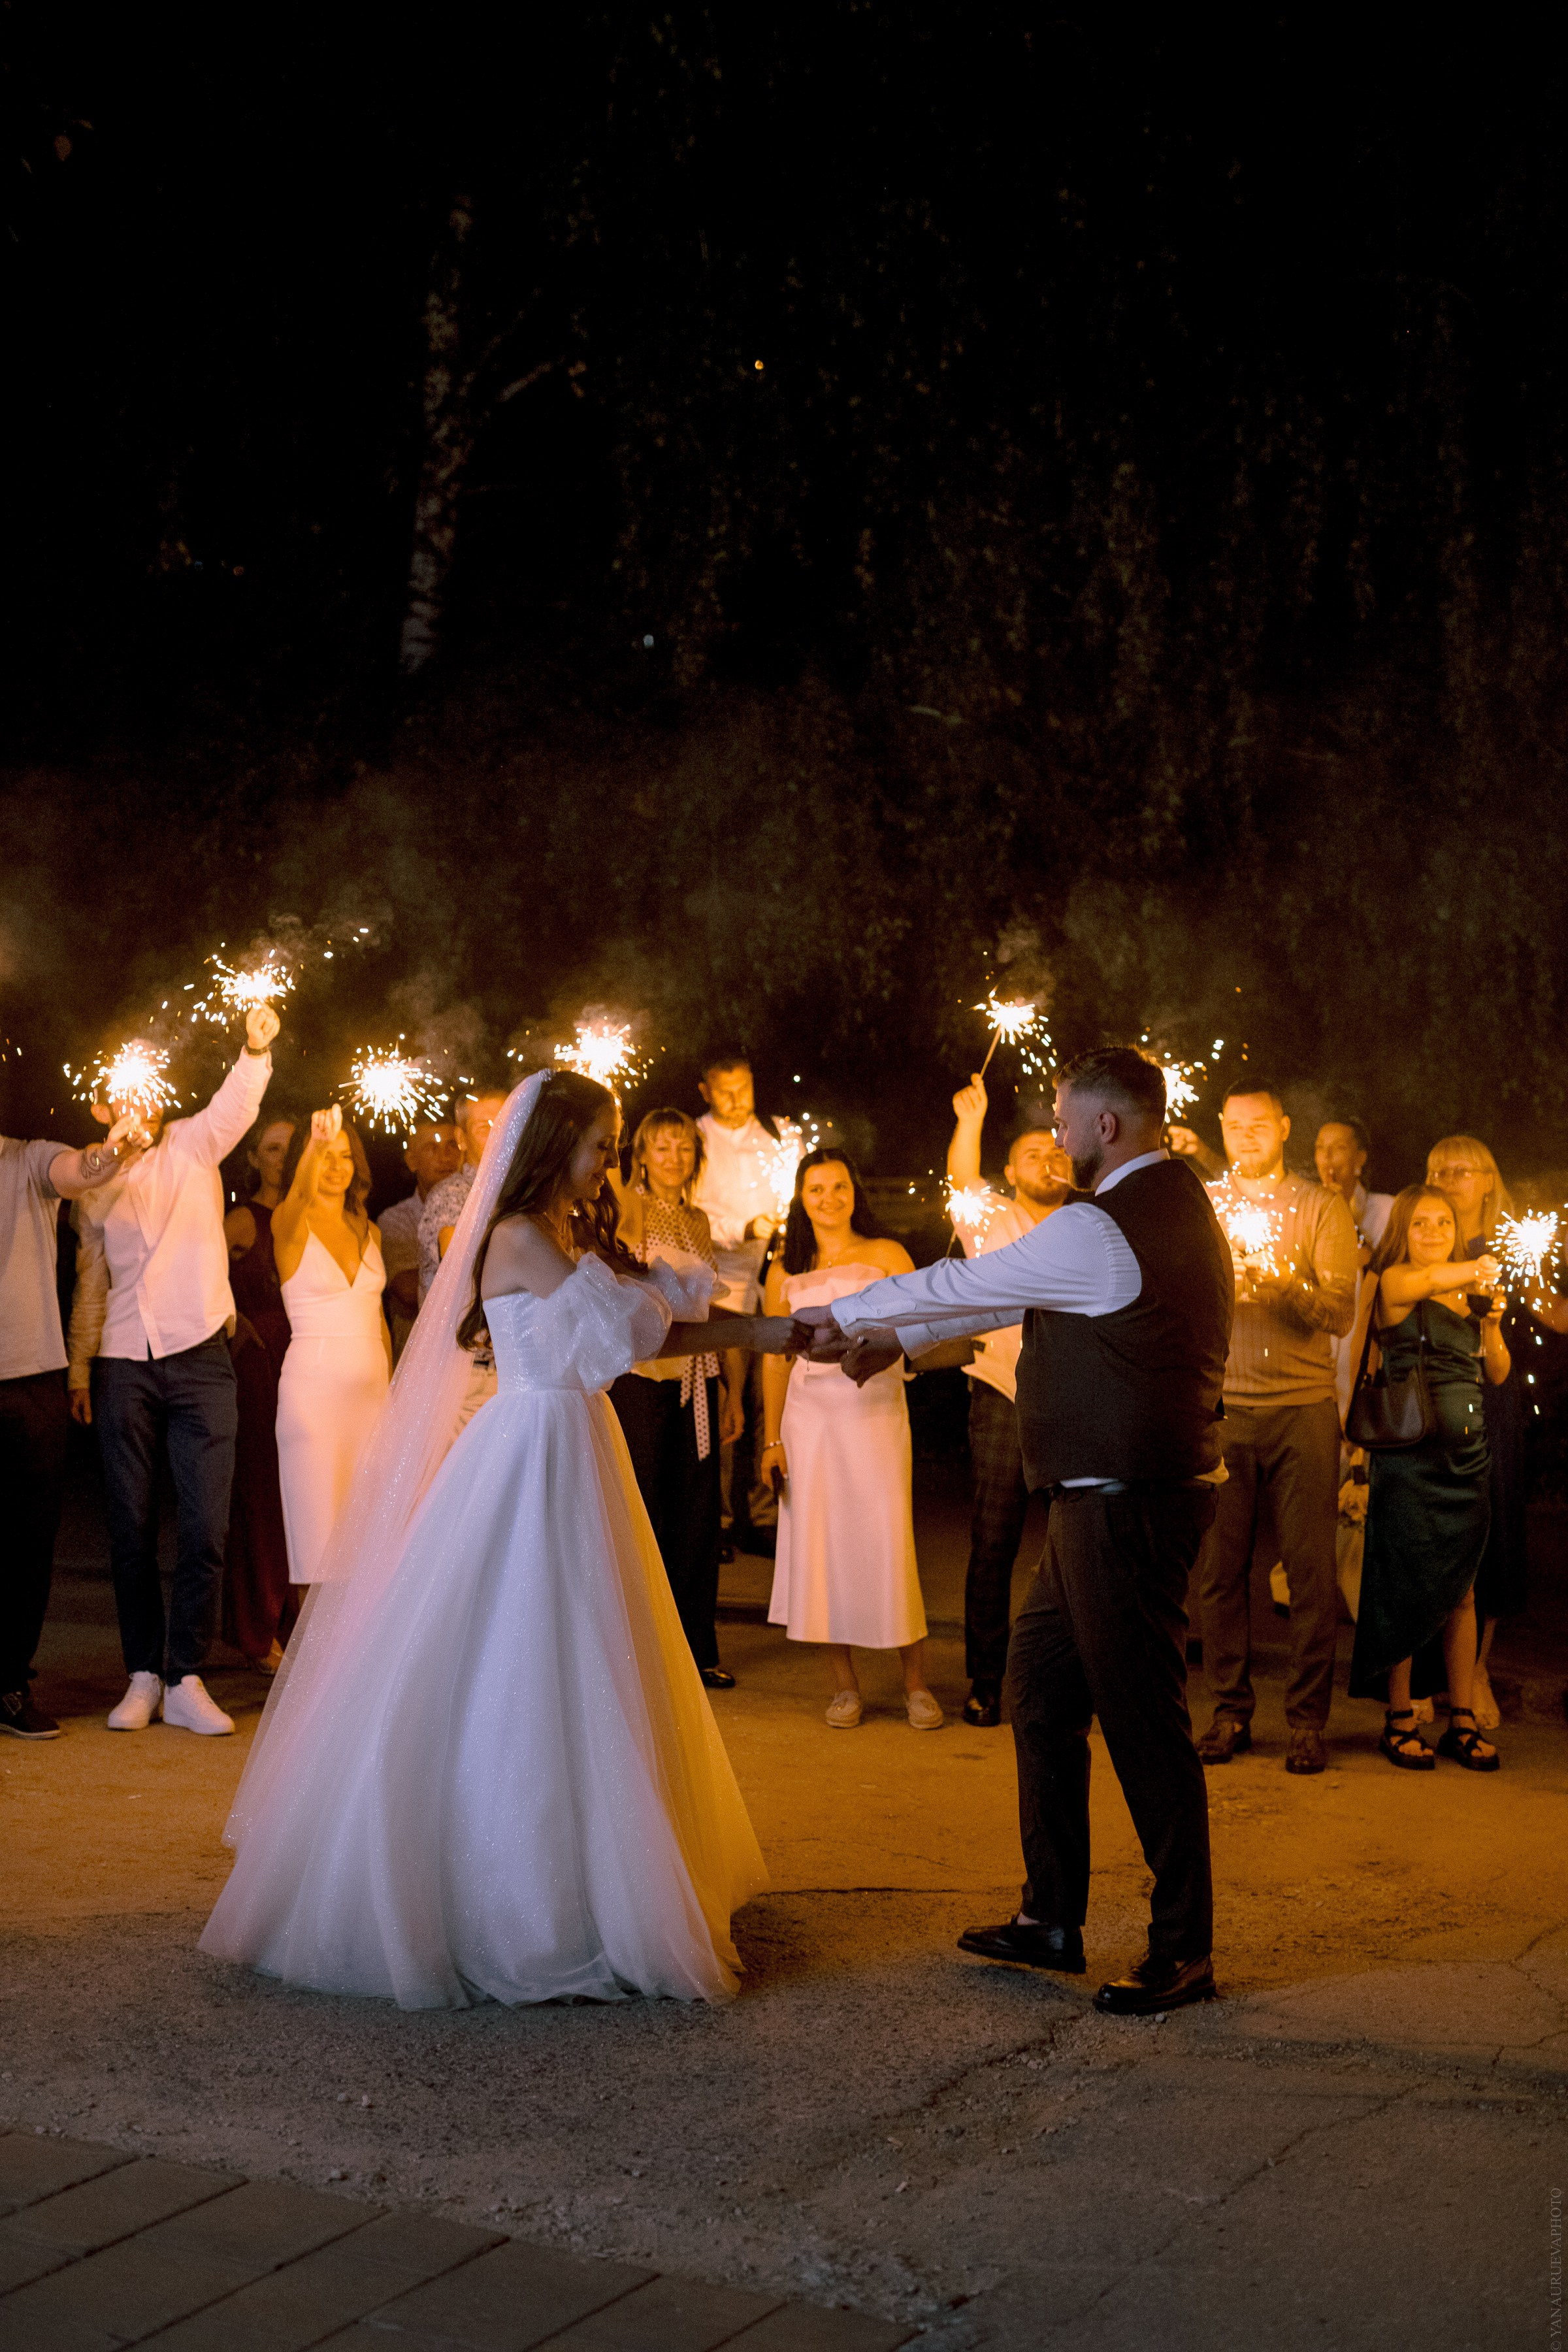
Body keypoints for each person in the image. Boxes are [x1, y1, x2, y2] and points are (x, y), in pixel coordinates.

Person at [200, 1069, 804, 2008]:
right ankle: (509, 1899)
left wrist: (763, 1333)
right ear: (552, 1144)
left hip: (578, 1442)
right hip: (531, 1447)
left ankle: (597, 1873)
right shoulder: (519, 1235)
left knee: (593, 1654)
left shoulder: (568, 1234)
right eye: (600, 1143)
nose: (608, 1161)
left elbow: (638, 1334)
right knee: (514, 1653)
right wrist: (694, 1289)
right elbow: (626, 1335)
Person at [793, 1046, 1233, 2016]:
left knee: (1143, 1715)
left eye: (1067, 1123)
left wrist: (846, 1314)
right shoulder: (1166, 1205)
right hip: (1098, 1499)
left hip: (1125, 1499)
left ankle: (1183, 1948)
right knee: (1040, 1692)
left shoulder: (1107, 1220)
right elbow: (1009, 1296)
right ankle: (1053, 1917)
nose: (1059, 1137)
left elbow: (969, 1280)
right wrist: (891, 1343)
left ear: (1107, 1127)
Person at [66, 1004, 280, 1736]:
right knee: (129, 1527)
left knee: (204, 1525)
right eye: (125, 1095)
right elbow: (89, 1272)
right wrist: (78, 1370)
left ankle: (187, 1675)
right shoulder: (92, 1180)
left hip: (202, 1360)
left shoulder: (193, 1146)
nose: (142, 1104)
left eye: (148, 1092)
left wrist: (254, 1048)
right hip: (124, 1361)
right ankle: (142, 1675)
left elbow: (236, 1104)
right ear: (105, 1105)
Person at [1193, 1084, 1358, 1775]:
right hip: (1224, 1409)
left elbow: (1340, 1312)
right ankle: (1229, 1711)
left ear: (1286, 1128)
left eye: (1260, 1125)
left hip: (1302, 1410)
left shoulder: (1320, 1208)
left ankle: (1306, 1722)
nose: (1247, 1136)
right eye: (1235, 1127)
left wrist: (1283, 1286)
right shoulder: (1205, 1205)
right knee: (1219, 1571)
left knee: (1311, 1571)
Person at [763, 1149, 938, 1730]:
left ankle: (915, 1681)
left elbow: (922, 1324)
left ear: (854, 1191)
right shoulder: (783, 1270)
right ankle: (844, 1685)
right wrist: (771, 1440)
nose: (829, 1198)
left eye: (839, 1186)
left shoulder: (887, 1254)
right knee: (822, 1543)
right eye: (816, 1188)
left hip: (876, 1408)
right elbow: (773, 1360)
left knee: (887, 1536)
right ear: (801, 1197)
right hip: (809, 1418)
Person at [0, 1113, 151, 1739]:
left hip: (31, 1374)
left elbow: (79, 1170)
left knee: (28, 1542)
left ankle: (8, 1683)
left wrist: (107, 1156)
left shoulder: (25, 1158)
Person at [1348, 1186, 1507, 1771]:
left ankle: (1460, 1719)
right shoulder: (1395, 1282)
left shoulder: (1471, 1288)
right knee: (1402, 1586)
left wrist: (1490, 1322)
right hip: (1409, 1457)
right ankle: (1399, 1716)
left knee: (1463, 1590)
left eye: (1445, 1221)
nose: (1435, 1230)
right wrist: (1472, 1268)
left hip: (1467, 1459)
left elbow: (1497, 1369)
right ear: (1405, 1232)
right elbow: (1418, 1285)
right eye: (1422, 1222)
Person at [946, 1070, 1075, 1725]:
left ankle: (1069, 1674)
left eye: (1056, 1152)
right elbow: (961, 1182)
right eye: (1032, 1154)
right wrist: (970, 1119)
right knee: (994, 1540)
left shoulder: (1086, 1220)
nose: (1047, 1162)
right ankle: (986, 1677)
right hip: (1001, 1391)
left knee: (1076, 1545)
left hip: (1074, 1399)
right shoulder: (992, 1217)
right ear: (1008, 1170)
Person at [608, 1109, 745, 1688]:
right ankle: (644, 1651)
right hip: (641, 1379)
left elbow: (711, 1308)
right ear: (640, 1154)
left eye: (685, 1148)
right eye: (662, 1149)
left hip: (697, 1380)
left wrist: (734, 1390)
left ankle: (697, 1649)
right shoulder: (628, 1209)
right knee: (647, 1512)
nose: (675, 1159)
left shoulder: (697, 1219)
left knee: (697, 1516)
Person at [1426, 1135, 1527, 1730]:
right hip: (1433, 1403)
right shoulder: (1427, 1238)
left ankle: (1479, 1668)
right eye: (1437, 1168)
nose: (1447, 1177)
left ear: (1488, 1180)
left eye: (1461, 1170)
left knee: (1494, 1536)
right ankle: (1431, 1673)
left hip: (1491, 1400)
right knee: (1437, 1536)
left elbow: (1550, 1311)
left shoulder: (1510, 1250)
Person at [272, 1108, 391, 1585]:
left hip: (372, 1397)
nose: (337, 1166)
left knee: (371, 1545)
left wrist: (395, 1391)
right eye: (326, 1156)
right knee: (319, 1545)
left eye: (345, 1156)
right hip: (314, 1398)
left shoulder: (371, 1229)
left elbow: (380, 1322)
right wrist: (316, 1142)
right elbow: (299, 1194)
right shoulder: (289, 1224)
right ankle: (313, 1661)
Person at [691, 1054, 785, 1544]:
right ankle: (722, 1518)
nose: (736, 1099)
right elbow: (693, 1212)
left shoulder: (773, 1140)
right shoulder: (695, 1140)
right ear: (706, 1091)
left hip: (766, 1284)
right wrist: (743, 1229)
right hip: (719, 1287)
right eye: (725, 1090)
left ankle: (765, 1516)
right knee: (725, 1401)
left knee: (769, 1403)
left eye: (743, 1087)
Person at [220, 1113, 298, 1669]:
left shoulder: (316, 1220)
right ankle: (257, 1628)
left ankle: (300, 1623)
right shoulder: (242, 1220)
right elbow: (203, 1278)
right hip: (259, 1365)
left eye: (291, 1149)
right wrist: (238, 1326)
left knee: (304, 1495)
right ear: (251, 1158)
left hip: (309, 1360)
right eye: (272, 1149)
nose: (282, 1159)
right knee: (261, 1495)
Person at [419, 1089, 508, 1431]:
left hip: (509, 1371)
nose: (499, 1134)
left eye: (506, 1123)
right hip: (465, 1373)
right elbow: (463, 1266)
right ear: (462, 1138)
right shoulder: (453, 1196)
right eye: (486, 1127)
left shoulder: (523, 1196)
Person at [378, 1120, 461, 1360]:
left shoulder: (479, 1214)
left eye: (451, 1146)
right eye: (431, 1148)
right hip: (420, 1358)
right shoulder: (396, 1220)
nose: (445, 1157)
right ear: (411, 1161)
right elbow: (406, 1290)